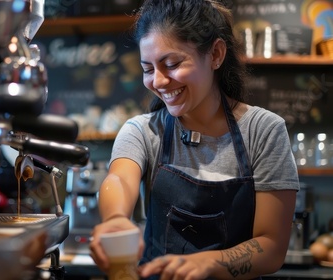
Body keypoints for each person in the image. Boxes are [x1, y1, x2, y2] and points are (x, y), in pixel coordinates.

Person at [89, 0, 300, 279]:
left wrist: (211, 263)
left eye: (172, 64)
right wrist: (115, 220)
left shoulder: (263, 130)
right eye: (148, 69)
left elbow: (272, 247)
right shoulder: (143, 131)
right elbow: (119, 179)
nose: (160, 82)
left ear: (215, 54)